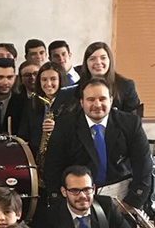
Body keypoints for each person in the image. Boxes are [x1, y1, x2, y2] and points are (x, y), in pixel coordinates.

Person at [44, 78, 151, 210]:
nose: (97, 104)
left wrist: (132, 202)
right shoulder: (65, 125)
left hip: (122, 197)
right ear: (82, 102)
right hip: (76, 199)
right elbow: (52, 167)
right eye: (90, 99)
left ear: (111, 101)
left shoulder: (130, 123)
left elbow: (144, 165)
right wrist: (60, 203)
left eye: (102, 99)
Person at [18, 62, 69, 158]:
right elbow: (23, 134)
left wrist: (57, 128)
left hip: (64, 158)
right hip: (36, 158)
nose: (48, 84)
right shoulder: (31, 103)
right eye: (44, 80)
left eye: (53, 79)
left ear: (61, 80)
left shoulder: (72, 105)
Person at [0, 58, 24, 133]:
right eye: (0, 77)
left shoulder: (22, 103)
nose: (5, 82)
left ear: (15, 78)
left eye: (10, 77)